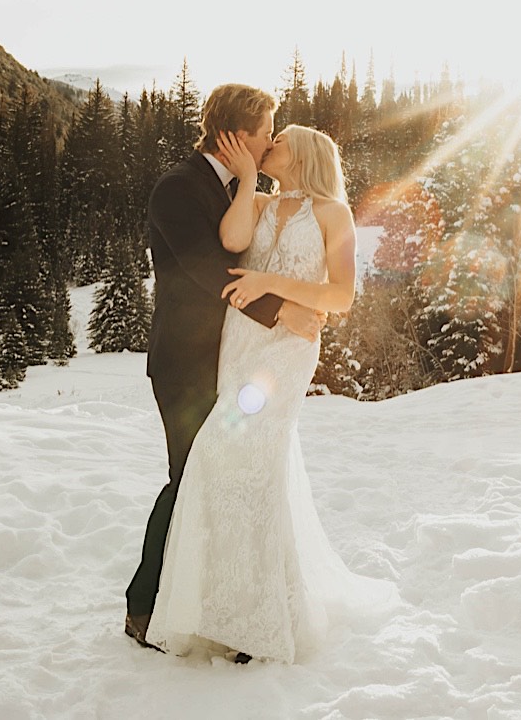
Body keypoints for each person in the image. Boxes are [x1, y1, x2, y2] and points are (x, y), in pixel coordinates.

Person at [144, 122, 395, 663]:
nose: (267, 145)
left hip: (287, 348)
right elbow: (233, 244)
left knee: (246, 459)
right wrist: (248, 180)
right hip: (240, 343)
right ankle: (220, 608)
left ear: (302, 154)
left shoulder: (335, 213)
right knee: (227, 466)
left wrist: (271, 285)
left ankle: (257, 620)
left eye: (276, 142)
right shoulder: (254, 202)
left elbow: (342, 294)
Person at [123, 84, 325, 651]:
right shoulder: (178, 187)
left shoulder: (243, 190)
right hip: (187, 364)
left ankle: (218, 607)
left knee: (228, 483)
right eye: (266, 130)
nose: (270, 141)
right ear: (237, 134)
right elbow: (205, 269)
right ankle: (144, 607)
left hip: (236, 364)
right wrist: (281, 309)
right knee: (189, 480)